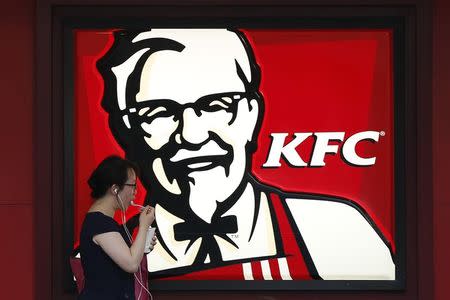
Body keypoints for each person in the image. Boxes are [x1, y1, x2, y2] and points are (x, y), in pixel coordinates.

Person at [96, 29, 395, 280]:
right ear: (130, 129)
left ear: (251, 115)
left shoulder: (336, 230)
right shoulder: (109, 248)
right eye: (160, 112)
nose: (192, 135)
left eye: (216, 105)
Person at [79, 155, 156, 299]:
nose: (135, 192)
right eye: (133, 186)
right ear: (115, 189)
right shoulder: (99, 223)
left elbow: (128, 259)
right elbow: (131, 263)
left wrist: (143, 243)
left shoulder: (106, 222)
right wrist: (144, 226)